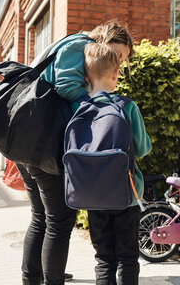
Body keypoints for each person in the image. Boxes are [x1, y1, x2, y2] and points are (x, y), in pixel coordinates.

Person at [15, 20, 134, 285]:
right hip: (43, 146)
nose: (117, 63)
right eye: (118, 54)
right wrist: (101, 110)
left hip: (31, 142)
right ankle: (49, 279)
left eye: (122, 61)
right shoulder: (81, 45)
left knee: (41, 218)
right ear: (106, 38)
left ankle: (33, 278)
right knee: (59, 221)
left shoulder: (72, 46)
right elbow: (67, 86)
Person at [82, 40, 151, 285]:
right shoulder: (127, 106)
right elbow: (142, 149)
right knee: (128, 258)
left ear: (87, 77)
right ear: (116, 73)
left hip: (92, 197)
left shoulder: (79, 107)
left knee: (104, 259)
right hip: (126, 195)